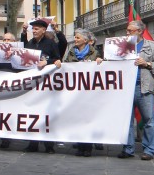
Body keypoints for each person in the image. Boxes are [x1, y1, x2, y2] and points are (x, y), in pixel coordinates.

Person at [117, 20, 154, 161]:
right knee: (126, 120)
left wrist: (147, 63)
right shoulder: (122, 45)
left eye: (130, 30)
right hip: (126, 87)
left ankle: (149, 150)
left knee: (148, 120)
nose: (127, 32)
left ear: (139, 31)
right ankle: (128, 148)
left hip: (144, 87)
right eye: (127, 30)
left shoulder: (152, 46)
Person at [23, 19, 62, 154]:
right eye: (33, 29)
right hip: (33, 85)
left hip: (47, 85)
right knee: (33, 114)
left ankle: (49, 145)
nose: (34, 31)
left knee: (46, 115)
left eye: (37, 29)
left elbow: (57, 60)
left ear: (44, 30)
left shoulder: (51, 44)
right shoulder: (29, 44)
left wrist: (47, 62)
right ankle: (32, 143)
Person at [63, 28, 102, 157]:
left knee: (87, 118)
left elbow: (103, 67)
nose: (75, 39)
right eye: (75, 37)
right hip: (75, 90)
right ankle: (80, 146)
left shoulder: (95, 52)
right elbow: (66, 65)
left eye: (78, 38)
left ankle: (88, 147)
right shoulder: (71, 52)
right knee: (78, 118)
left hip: (89, 90)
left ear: (85, 40)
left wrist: (99, 62)